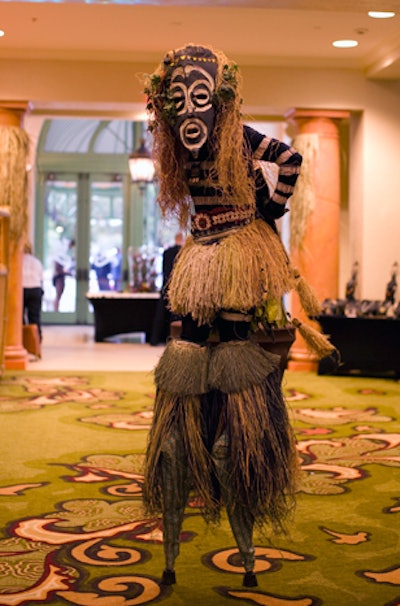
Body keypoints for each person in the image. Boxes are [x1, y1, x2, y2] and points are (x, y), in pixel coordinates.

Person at [143, 44, 334, 588]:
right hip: (201, 252)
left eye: (200, 97)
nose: (190, 110)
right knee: (191, 344)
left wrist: (270, 208)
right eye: (178, 100)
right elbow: (178, 190)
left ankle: (239, 439)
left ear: (220, 101)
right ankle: (185, 443)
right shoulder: (177, 148)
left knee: (231, 341)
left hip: (237, 252)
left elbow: (291, 159)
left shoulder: (242, 137)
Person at [150, 232, 184, 345]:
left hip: (166, 285)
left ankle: (155, 339)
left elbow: (164, 270)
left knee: (161, 314)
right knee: (176, 315)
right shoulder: (184, 252)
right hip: (178, 287)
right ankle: (174, 339)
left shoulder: (167, 252)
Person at [22, 242, 44, 341]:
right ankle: (36, 340)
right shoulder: (36, 262)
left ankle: (22, 339)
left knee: (19, 317)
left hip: (22, 289)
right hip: (35, 289)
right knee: (34, 317)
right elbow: (41, 277)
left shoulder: (18, 261)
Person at [53, 239, 75, 311]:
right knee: (58, 295)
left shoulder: (65, 256)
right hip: (59, 278)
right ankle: (56, 311)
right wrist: (69, 273)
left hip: (61, 278)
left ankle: (56, 310)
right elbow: (59, 269)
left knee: (59, 295)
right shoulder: (59, 256)